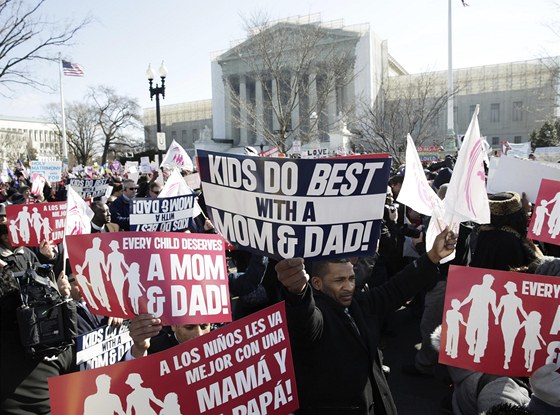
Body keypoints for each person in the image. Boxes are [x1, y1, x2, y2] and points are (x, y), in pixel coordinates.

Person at [275, 227, 458, 414]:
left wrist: (433, 256)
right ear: (317, 283)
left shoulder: (359, 303)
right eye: (339, 280)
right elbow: (304, 321)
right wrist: (298, 293)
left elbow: (396, 288)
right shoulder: (318, 315)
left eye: (351, 278)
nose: (348, 286)